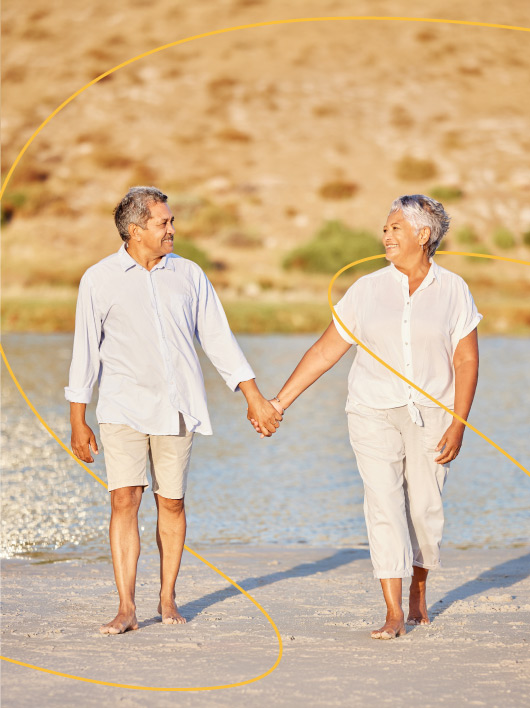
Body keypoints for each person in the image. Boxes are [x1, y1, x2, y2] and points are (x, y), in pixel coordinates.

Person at [261, 195, 481, 639]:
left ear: (423, 235)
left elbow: (466, 362)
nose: (385, 236)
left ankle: (419, 587)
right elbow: (325, 351)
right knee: (382, 504)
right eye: (385, 229)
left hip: (433, 415)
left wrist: (459, 423)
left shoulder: (453, 289)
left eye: (395, 228)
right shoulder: (365, 289)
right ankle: (394, 611)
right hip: (371, 411)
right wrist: (278, 403)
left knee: (424, 508)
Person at [66, 186, 282, 635]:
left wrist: (254, 396)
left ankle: (167, 597)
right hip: (122, 406)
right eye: (164, 223)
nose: (172, 230)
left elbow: (218, 338)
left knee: (172, 502)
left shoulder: (188, 274)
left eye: (170, 221)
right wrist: (77, 419)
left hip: (177, 406)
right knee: (124, 499)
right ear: (135, 230)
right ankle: (126, 607)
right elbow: (85, 352)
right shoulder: (99, 278)